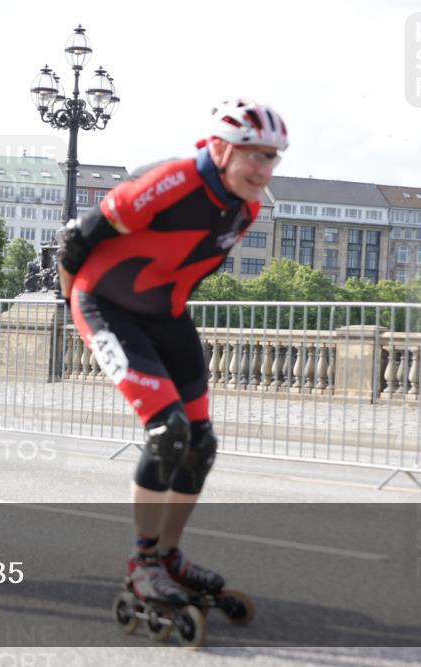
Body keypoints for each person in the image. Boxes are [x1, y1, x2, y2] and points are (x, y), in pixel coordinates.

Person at [57, 98, 289, 604]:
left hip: (166, 315)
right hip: (105, 306)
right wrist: (74, 308)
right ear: (223, 149)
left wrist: (167, 314)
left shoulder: (247, 209)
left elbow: (186, 270)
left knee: (200, 443)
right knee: (169, 433)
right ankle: (141, 565)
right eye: (255, 155)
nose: (264, 168)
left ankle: (168, 555)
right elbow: (75, 241)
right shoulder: (172, 181)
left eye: (273, 158)